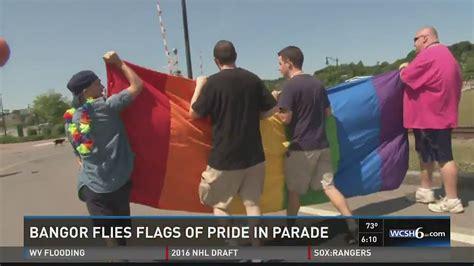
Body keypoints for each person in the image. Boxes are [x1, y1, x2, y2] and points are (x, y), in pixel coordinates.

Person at [274, 46, 357, 242]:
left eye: (280, 63)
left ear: (289, 63)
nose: (278, 68)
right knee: (329, 187)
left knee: (294, 191)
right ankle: (352, 224)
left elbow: (285, 119)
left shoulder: (289, 87)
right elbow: (327, 113)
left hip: (301, 148)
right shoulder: (317, 84)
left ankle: (290, 230)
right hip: (322, 145)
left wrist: (276, 102)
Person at [189, 40, 277, 217]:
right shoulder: (252, 79)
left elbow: (194, 113)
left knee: (219, 205)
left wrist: (199, 84)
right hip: (254, 156)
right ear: (235, 56)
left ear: (216, 61)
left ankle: (231, 242)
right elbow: (273, 109)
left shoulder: (212, 83)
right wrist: (258, 116)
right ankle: (256, 243)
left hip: (225, 157)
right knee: (252, 204)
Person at [64, 51, 144, 246]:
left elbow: (79, 155)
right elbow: (138, 85)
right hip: (117, 184)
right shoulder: (108, 106)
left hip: (91, 187)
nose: (102, 85)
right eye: (98, 82)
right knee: (120, 238)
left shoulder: (70, 119)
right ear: (87, 90)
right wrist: (119, 63)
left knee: (111, 238)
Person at [400, 26, 463, 213]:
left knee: (444, 157)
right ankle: (425, 191)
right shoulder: (448, 55)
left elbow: (408, 76)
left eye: (416, 39)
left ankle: (452, 200)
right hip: (435, 115)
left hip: (431, 116)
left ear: (426, 38)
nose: (414, 43)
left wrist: (403, 68)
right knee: (425, 153)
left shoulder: (428, 55)